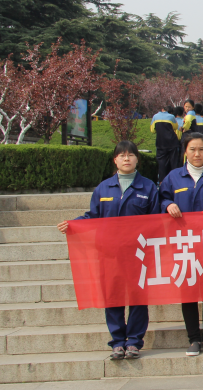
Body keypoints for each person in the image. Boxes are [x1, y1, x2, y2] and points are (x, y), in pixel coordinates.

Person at [57, 141, 160, 360]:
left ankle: (134, 341)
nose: (126, 159)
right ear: (115, 160)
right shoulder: (103, 188)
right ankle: (117, 342)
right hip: (110, 253)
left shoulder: (149, 187)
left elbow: (156, 221)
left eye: (131, 155)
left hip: (138, 254)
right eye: (122, 155)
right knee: (113, 297)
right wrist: (73, 224)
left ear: (137, 159)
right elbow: (93, 216)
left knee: (138, 299)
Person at [159, 132, 203, 356]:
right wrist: (168, 204)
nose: (197, 154)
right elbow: (161, 198)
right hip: (183, 243)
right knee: (188, 291)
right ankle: (193, 338)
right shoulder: (173, 177)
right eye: (192, 149)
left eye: (201, 149)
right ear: (185, 151)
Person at [150, 106, 182, 183]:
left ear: (162, 109)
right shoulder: (171, 117)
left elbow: (152, 130)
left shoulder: (155, 116)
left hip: (161, 142)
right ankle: (175, 181)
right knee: (174, 163)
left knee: (161, 163)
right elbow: (175, 127)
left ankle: (161, 182)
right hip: (172, 142)